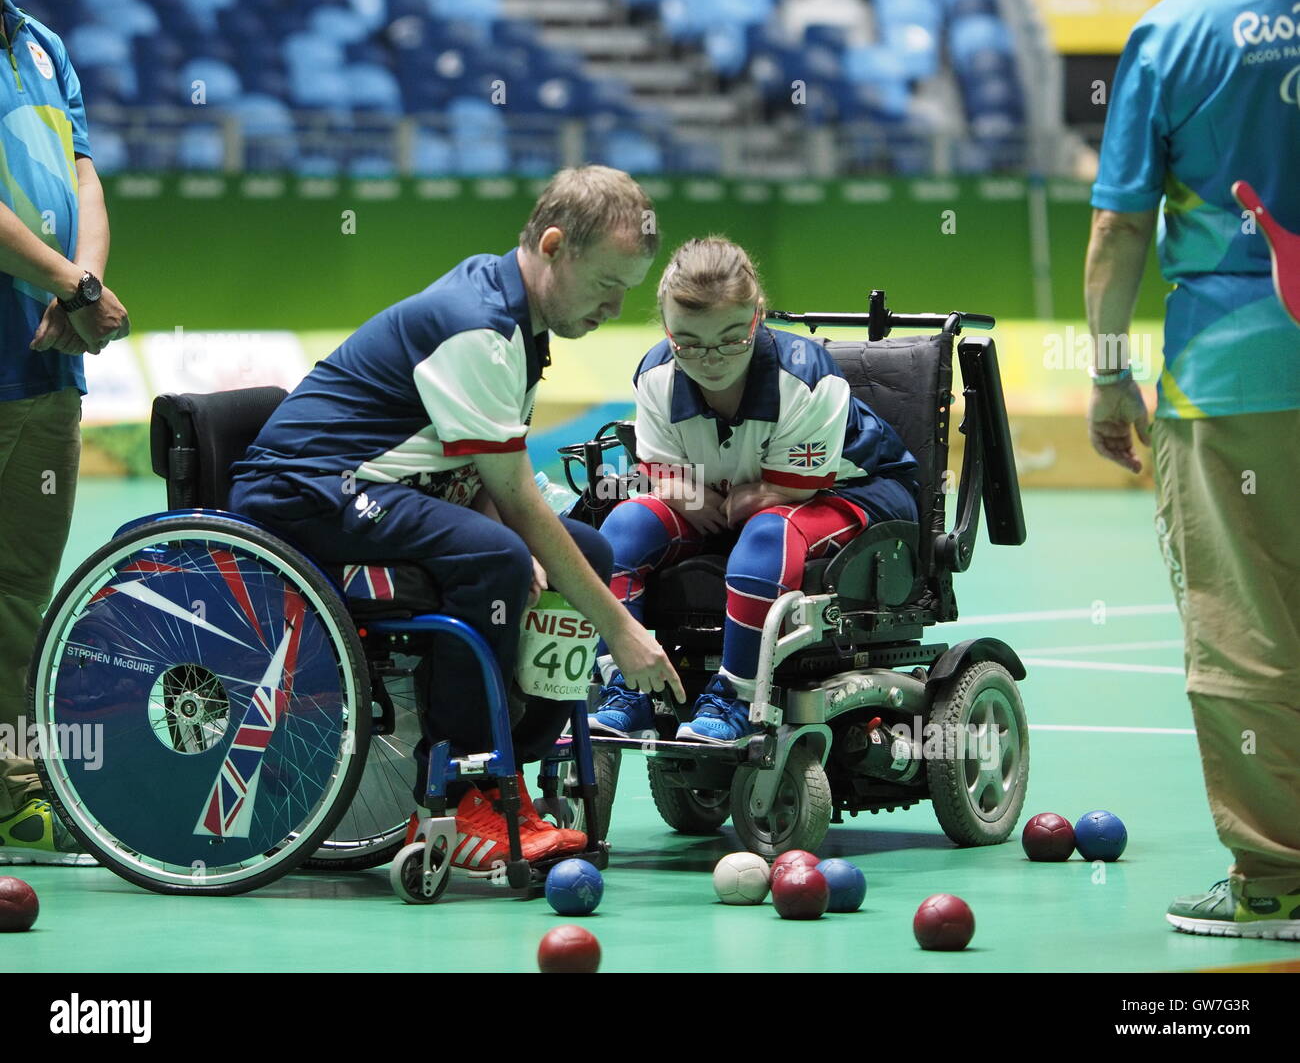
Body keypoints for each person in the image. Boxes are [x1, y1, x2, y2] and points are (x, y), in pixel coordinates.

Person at [229, 165, 683, 875]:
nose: (617, 307)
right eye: (606, 284)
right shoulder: (477, 322)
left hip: (385, 488)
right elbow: (517, 496)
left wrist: (539, 555)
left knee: (587, 552)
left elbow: (474, 470)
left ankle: (512, 785)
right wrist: (621, 629)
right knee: (496, 560)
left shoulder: (520, 321)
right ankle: (458, 791)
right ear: (556, 246)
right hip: (306, 486)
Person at [1086, 0, 1300, 938]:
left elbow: (1120, 226)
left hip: (1236, 375)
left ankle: (1277, 874)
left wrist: (1106, 375)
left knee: (1246, 621)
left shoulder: (1174, 35)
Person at [589, 237, 919, 742]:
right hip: (728, 495)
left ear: (757, 316)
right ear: (667, 329)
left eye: (731, 339)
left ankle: (736, 698)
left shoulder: (806, 380)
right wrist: (695, 496)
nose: (711, 359)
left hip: (859, 490)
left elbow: (796, 486)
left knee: (768, 532)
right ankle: (626, 686)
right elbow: (662, 469)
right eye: (689, 342)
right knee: (623, 527)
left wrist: (742, 494)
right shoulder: (655, 374)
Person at [0, 0, 130, 865]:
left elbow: (85, 178)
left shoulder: (39, 43)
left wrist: (80, 288)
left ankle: (15, 794)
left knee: (19, 595)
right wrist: (75, 288)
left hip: (46, 364)